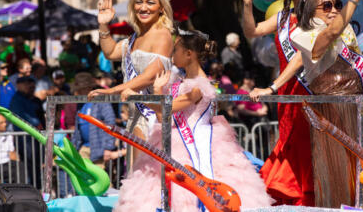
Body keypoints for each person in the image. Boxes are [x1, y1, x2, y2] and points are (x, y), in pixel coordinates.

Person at [115, 30, 273, 211]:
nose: (171, 55)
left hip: (201, 147)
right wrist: (158, 91)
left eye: (175, 50)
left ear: (189, 54)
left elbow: (169, 108)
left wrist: (137, 96)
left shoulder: (199, 87)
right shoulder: (177, 84)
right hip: (174, 143)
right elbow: (163, 118)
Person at [290, 0, 363, 208]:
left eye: (336, 4)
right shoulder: (301, 34)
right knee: (337, 173)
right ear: (311, 11)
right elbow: (329, 34)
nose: (334, 10)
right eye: (327, 6)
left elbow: (361, 76)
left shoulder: (344, 33)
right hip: (331, 114)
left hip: (359, 110)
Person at [241, 0, 318, 206]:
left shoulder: (318, 14)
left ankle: (308, 199)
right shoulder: (283, 16)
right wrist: (247, 3)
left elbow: (300, 58)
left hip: (309, 92)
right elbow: (252, 31)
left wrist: (271, 87)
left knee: (306, 149)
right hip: (286, 94)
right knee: (287, 143)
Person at [88, 0, 174, 147]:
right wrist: (103, 24)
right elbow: (111, 52)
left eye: (150, 3)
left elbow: (149, 77)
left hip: (153, 113)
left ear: (161, 8)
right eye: (139, 2)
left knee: (149, 173)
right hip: (135, 111)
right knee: (137, 171)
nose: (143, 8)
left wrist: (111, 91)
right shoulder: (135, 37)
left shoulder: (163, 34)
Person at [8, 76, 44, 188]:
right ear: (19, 85)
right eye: (27, 84)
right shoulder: (16, 100)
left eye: (32, 84)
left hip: (36, 139)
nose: (30, 87)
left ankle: (38, 192)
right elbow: (21, 118)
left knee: (36, 168)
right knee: (28, 169)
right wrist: (37, 123)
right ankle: (29, 193)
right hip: (24, 140)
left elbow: (42, 118)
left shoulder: (36, 100)